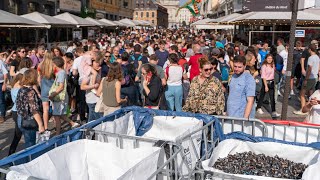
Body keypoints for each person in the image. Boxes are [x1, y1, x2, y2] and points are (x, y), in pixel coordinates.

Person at [49, 57, 79, 135]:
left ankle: (57, 134)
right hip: (60, 96)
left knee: (56, 115)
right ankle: (72, 123)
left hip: (59, 97)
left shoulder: (61, 73)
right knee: (60, 114)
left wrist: (53, 94)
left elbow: (61, 86)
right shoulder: (61, 72)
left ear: (55, 65)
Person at [16, 69, 45, 148]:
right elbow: (34, 110)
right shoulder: (30, 92)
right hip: (29, 121)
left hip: (21, 119)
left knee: (28, 142)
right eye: (37, 76)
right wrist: (41, 124)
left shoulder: (21, 89)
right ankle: (30, 159)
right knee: (31, 145)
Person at [294, 44, 320, 115]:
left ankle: (303, 110)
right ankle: (310, 108)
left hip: (310, 78)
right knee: (311, 94)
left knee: (302, 94)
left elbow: (309, 69)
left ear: (310, 50)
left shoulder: (311, 58)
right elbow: (318, 68)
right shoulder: (317, 57)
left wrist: (306, 79)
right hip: (315, 77)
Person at [80, 52, 103, 122]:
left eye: (99, 62)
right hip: (92, 100)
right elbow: (82, 87)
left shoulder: (98, 71)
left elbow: (98, 83)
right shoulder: (88, 73)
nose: (98, 64)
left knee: (93, 120)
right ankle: (89, 131)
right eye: (96, 62)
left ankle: (88, 131)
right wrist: (93, 86)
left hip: (97, 98)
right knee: (97, 120)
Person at [38, 52, 55, 131]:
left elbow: (39, 79)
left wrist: (41, 87)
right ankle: (56, 124)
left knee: (45, 109)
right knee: (55, 108)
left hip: (44, 89)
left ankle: (46, 127)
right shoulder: (53, 65)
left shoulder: (40, 65)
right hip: (53, 89)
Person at [8, 72, 23, 155]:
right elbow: (19, 101)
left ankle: (11, 152)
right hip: (18, 112)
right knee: (17, 134)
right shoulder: (18, 89)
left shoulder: (14, 87)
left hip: (15, 111)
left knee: (18, 134)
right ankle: (10, 153)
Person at [0, 58, 8, 123]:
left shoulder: (0, 62)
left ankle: (2, 115)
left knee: (1, 100)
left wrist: (4, 84)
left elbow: (5, 73)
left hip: (0, 83)